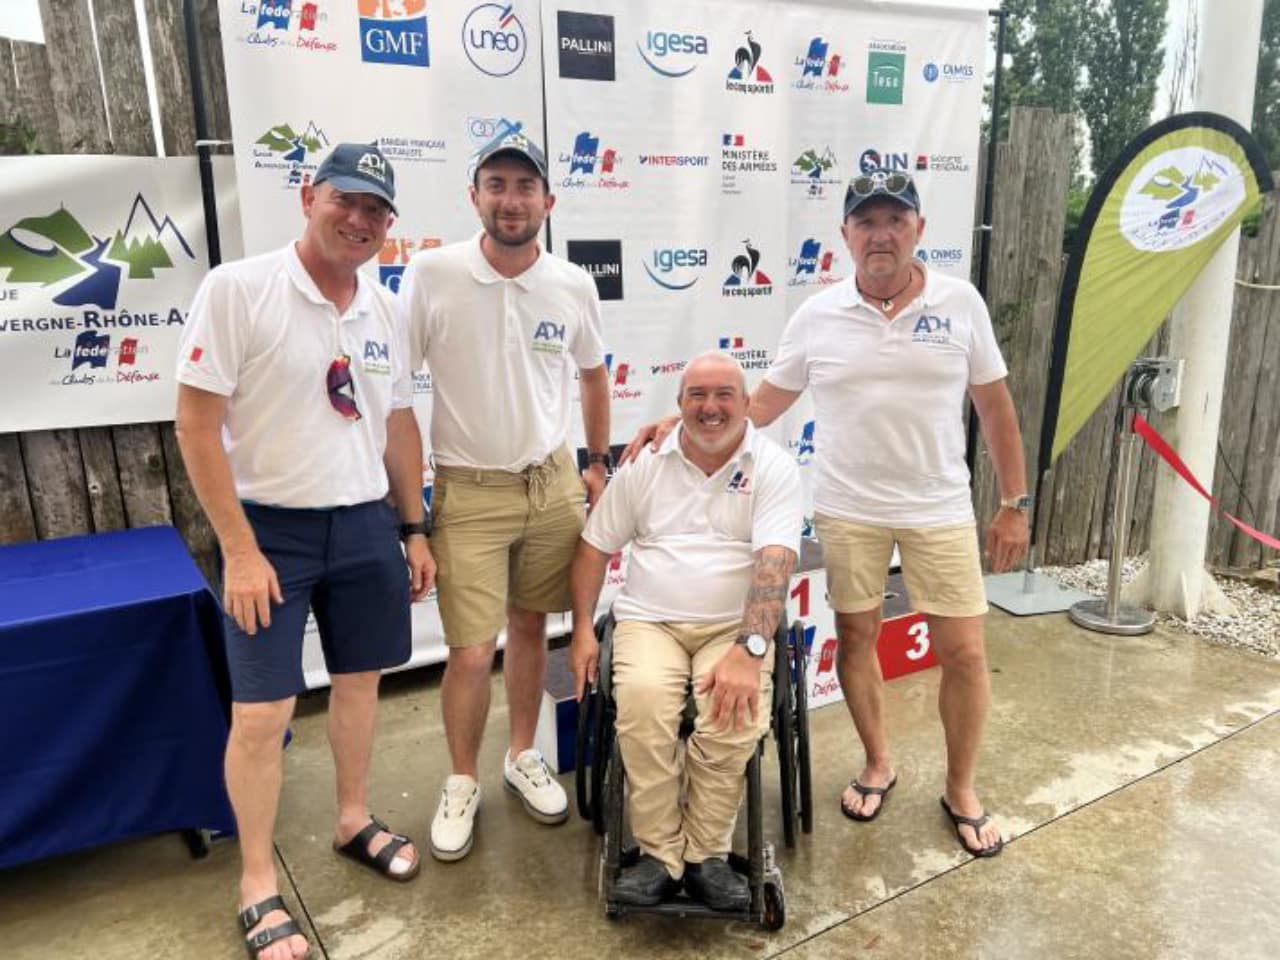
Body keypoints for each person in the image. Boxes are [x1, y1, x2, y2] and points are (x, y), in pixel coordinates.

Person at [623, 169, 1029, 858]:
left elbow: (995, 408)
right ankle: (878, 763)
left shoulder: (962, 304)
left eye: (895, 220)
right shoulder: (817, 315)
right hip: (848, 509)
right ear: (845, 235)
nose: (881, 234)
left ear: (919, 230)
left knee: (964, 654)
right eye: (866, 222)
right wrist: (683, 419)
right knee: (859, 638)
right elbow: (760, 405)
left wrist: (1014, 504)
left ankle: (961, 787)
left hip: (940, 508)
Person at [175, 142, 433, 960]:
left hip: (362, 523)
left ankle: (352, 818)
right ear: (308, 196)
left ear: (389, 229)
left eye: (376, 212)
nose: (358, 220)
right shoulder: (238, 289)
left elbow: (394, 423)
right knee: (261, 714)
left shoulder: (385, 307)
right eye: (345, 201)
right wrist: (241, 551)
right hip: (269, 531)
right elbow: (195, 423)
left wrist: (413, 524)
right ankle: (256, 881)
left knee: (360, 684)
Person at [397, 132, 610, 862]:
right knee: (466, 652)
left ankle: (522, 755)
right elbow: (397, 397)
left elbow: (592, 375)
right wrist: (411, 519)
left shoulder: (573, 283)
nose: (510, 200)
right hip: (470, 490)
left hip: (551, 484)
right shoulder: (430, 273)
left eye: (525, 187)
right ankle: (462, 780)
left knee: (531, 631)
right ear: (474, 196)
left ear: (547, 202)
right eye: (497, 184)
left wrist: (597, 463)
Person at [570, 352, 801, 909]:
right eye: (697, 395)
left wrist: (750, 651)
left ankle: (705, 855)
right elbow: (595, 547)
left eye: (725, 394)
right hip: (650, 620)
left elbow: (774, 561)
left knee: (730, 712)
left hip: (732, 625)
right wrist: (581, 628)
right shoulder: (646, 464)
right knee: (645, 704)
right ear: (678, 406)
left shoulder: (772, 466)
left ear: (747, 404)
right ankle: (658, 854)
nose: (711, 407)